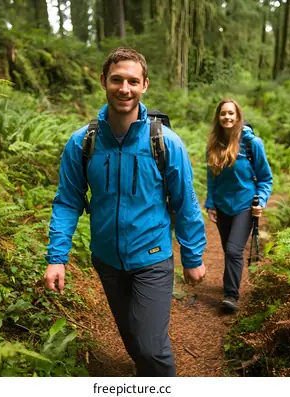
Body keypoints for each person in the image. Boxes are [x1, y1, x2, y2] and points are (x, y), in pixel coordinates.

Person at [43, 46, 206, 377]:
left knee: (150, 346)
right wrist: (56, 256)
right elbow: (68, 200)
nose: (124, 88)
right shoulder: (83, 142)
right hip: (106, 260)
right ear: (104, 81)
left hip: (153, 258)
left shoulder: (166, 143)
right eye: (117, 80)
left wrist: (192, 256)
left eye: (133, 81)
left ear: (145, 84)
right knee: (132, 336)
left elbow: (184, 202)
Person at [204, 98, 273, 312]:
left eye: (231, 113)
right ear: (218, 117)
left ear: (238, 116)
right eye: (223, 113)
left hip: (245, 204)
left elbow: (265, 178)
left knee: (234, 250)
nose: (227, 117)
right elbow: (212, 177)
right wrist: (211, 202)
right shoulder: (214, 143)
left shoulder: (252, 144)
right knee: (228, 248)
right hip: (223, 205)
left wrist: (261, 200)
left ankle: (231, 296)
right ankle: (230, 282)